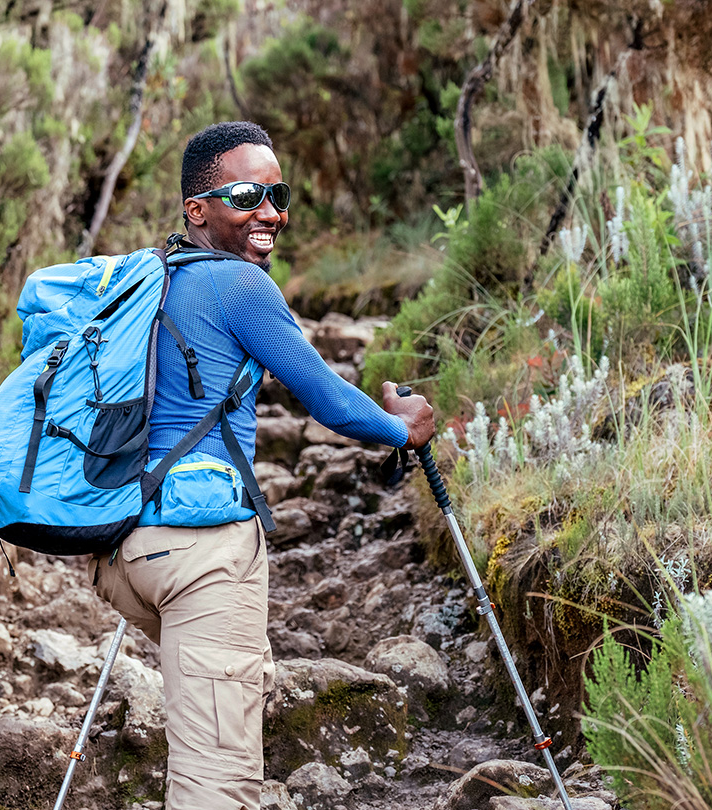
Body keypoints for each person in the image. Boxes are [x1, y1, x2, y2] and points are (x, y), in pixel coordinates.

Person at [87, 121, 436, 810]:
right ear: (198, 210)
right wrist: (403, 426)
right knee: (217, 787)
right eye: (248, 194)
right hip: (202, 553)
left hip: (118, 554)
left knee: (224, 700)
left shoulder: (145, 281)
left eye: (277, 193)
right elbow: (331, 401)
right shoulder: (241, 289)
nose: (272, 211)